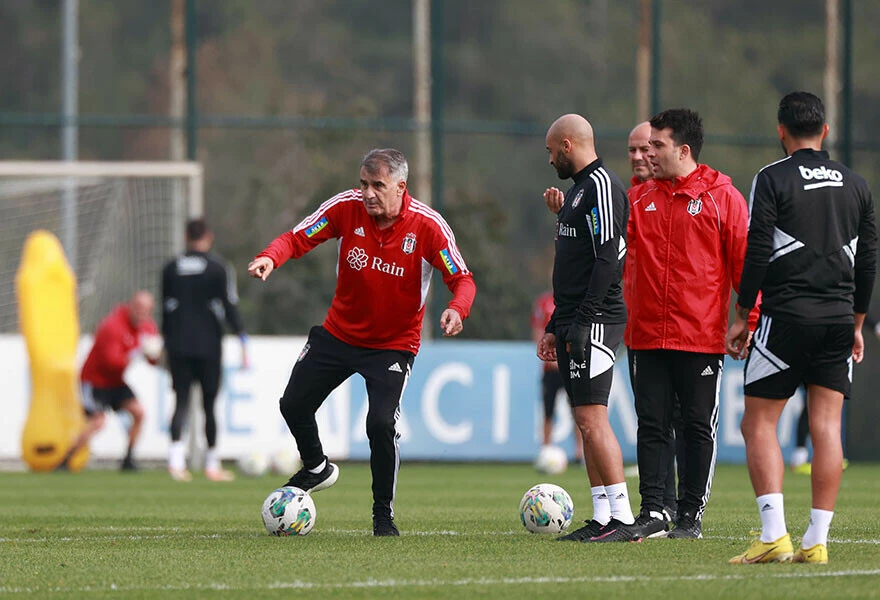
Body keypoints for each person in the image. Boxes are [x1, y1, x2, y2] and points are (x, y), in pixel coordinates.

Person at [247, 148, 476, 537]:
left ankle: (382, 515)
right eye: (364, 184)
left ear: (401, 187)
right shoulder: (346, 208)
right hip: (338, 334)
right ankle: (317, 466)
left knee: (380, 424)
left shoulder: (428, 226)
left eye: (378, 186)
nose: (367, 193)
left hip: (393, 345)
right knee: (293, 404)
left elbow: (462, 278)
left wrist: (458, 308)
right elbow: (297, 238)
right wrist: (271, 257)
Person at [727, 91, 877, 564]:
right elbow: (869, 261)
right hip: (837, 319)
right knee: (826, 427)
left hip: (786, 317)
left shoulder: (772, 177)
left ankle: (773, 534)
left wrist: (741, 312)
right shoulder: (857, 183)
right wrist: (857, 323)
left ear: (781, 131)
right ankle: (816, 541)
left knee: (759, 423)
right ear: (824, 131)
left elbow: (757, 250)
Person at [626, 108, 756, 539]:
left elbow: (745, 266)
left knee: (697, 426)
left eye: (657, 146)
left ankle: (690, 516)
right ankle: (652, 511)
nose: (648, 153)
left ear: (683, 150)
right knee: (652, 425)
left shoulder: (724, 197)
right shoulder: (639, 198)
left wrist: (747, 321)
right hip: (646, 334)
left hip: (700, 337)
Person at [538, 114, 637, 543]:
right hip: (575, 318)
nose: (549, 160)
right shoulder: (578, 193)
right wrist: (553, 324)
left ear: (566, 145)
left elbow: (609, 258)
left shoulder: (601, 186)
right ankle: (601, 517)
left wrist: (581, 319)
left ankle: (624, 519)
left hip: (595, 319)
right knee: (583, 420)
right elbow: (573, 265)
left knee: (594, 419)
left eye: (549, 151)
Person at [625, 120, 685, 533]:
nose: (639, 156)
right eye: (631, 150)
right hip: (639, 326)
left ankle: (678, 506)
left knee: (681, 419)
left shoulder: (687, 196)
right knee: (653, 417)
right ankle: (660, 506)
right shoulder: (628, 199)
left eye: (647, 148)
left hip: (684, 328)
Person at [162, 219, 248, 483]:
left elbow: (166, 310)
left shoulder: (171, 267)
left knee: (181, 400)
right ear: (208, 237)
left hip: (178, 344)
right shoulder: (218, 267)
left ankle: (176, 462)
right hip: (209, 344)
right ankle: (212, 464)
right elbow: (229, 305)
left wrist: (165, 343)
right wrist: (242, 338)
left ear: (186, 236)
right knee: (209, 404)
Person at [58, 290, 160, 471]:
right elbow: (111, 362)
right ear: (130, 305)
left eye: (146, 310)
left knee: (139, 413)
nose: (141, 313)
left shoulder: (147, 327)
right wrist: (138, 351)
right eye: (138, 307)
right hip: (95, 380)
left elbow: (153, 360)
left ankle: (128, 459)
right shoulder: (112, 326)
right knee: (98, 422)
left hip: (115, 382)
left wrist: (154, 354)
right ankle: (65, 459)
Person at [532, 289, 583, 463]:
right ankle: (545, 450)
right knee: (548, 411)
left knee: (577, 411)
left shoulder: (574, 300)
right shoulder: (543, 302)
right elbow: (538, 330)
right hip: (550, 369)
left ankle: (579, 453)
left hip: (569, 366)